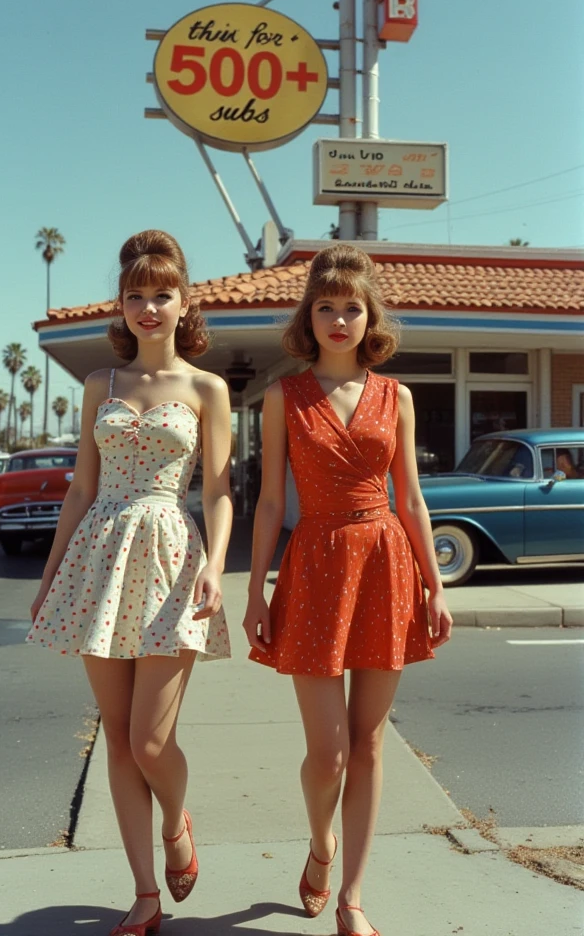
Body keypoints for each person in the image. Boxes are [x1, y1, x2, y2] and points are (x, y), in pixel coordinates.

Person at [243, 245, 452, 936]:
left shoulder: (399, 397)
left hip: (385, 563)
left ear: (371, 319)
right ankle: (321, 843)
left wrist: (434, 583)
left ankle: (353, 897)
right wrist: (255, 591)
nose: (339, 319)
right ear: (310, 316)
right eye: (326, 307)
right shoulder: (283, 396)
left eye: (351, 308)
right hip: (313, 567)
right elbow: (270, 502)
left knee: (367, 744)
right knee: (327, 752)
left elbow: (414, 500)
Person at [28, 230, 233, 936]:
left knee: (151, 742)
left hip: (173, 557)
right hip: (99, 558)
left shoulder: (207, 388)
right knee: (115, 738)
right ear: (122, 305)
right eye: (136, 295)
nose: (149, 307)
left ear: (185, 303)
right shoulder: (99, 385)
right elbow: (81, 490)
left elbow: (220, 491)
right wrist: (52, 575)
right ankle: (145, 893)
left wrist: (216, 565)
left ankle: (177, 823)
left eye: (162, 294)